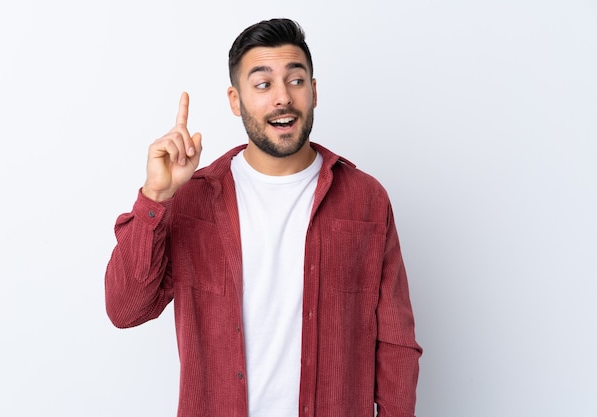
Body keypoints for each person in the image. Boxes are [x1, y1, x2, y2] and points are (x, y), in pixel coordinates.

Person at [105, 18, 422, 417]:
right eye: (262, 84)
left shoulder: (365, 199)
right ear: (235, 100)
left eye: (295, 80)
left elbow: (395, 343)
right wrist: (156, 197)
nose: (282, 98)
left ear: (314, 91)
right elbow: (126, 309)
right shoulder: (192, 200)